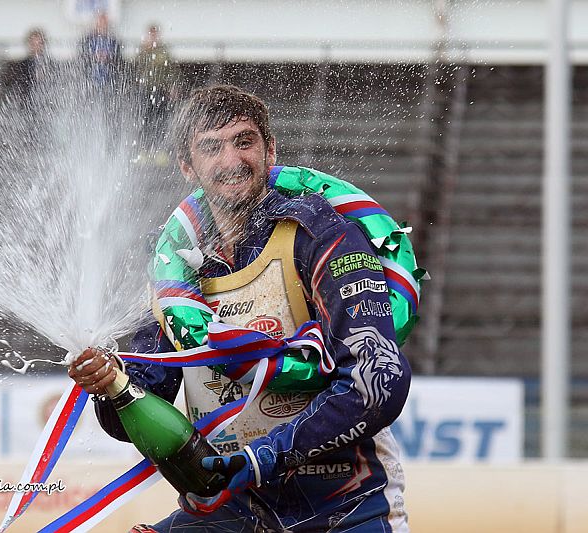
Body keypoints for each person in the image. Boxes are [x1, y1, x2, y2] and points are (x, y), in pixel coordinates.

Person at [69, 85, 411, 532]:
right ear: (187, 166)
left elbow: (378, 381)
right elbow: (136, 408)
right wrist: (110, 384)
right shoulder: (175, 270)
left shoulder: (323, 236)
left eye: (243, 142)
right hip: (231, 509)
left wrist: (263, 457)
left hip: (343, 506)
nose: (231, 160)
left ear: (271, 151)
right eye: (212, 148)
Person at [133, 24, 179, 155]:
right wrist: (145, 50)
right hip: (146, 89)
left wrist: (173, 86)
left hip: (161, 89)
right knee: (146, 120)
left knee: (161, 119)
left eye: (155, 34)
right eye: (151, 34)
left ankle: (159, 150)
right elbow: (136, 66)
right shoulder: (144, 49)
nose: (153, 36)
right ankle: (144, 149)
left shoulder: (164, 50)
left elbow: (171, 70)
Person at [77, 11, 123, 89]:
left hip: (110, 78)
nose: (102, 25)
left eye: (104, 23)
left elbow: (118, 57)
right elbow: (82, 55)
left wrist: (108, 57)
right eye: (101, 22)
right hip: (91, 77)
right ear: (96, 23)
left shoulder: (113, 40)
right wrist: (94, 57)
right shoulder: (87, 39)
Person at [6, 28, 50, 101]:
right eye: (33, 44)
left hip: (47, 100)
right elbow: (19, 87)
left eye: (39, 43)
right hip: (27, 101)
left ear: (43, 44)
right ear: (29, 44)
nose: (36, 47)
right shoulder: (21, 66)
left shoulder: (51, 64)